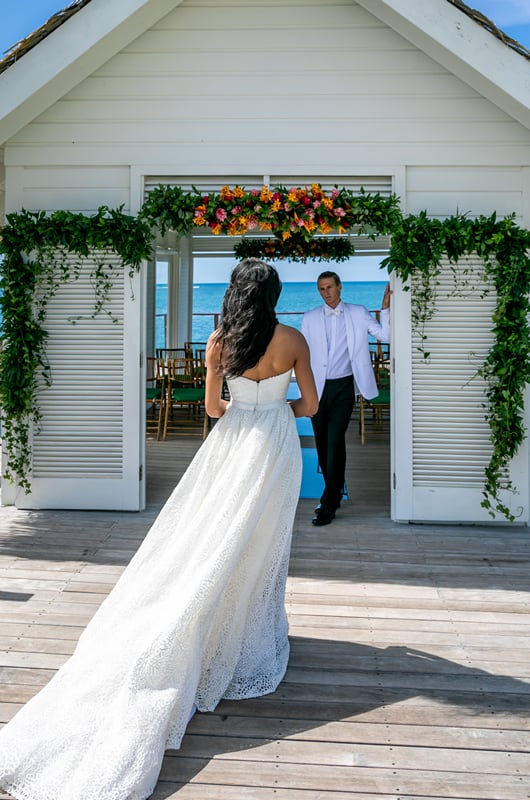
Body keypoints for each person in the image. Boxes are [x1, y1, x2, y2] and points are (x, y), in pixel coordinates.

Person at [0, 258, 318, 800]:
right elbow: (309, 404)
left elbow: (215, 410)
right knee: (262, 544)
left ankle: (208, 620)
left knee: (213, 539)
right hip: (275, 451)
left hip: (231, 447)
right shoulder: (293, 338)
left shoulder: (220, 339)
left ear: (236, 291)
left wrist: (245, 403)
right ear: (275, 292)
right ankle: (246, 636)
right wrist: (277, 405)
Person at [301, 270, 390, 526]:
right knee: (322, 445)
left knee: (335, 441)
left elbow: (386, 336)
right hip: (317, 389)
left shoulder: (358, 312)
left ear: (340, 287)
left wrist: (385, 309)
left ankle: (328, 503)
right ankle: (335, 492)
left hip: (344, 388)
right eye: (321, 289)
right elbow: (302, 356)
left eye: (329, 287)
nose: (325, 292)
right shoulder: (310, 318)